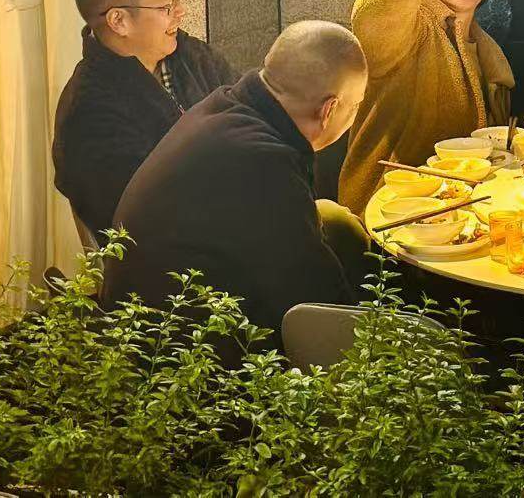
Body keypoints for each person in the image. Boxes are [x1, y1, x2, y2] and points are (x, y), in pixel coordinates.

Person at [103, 22, 370, 345]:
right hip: (173, 349)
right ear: (329, 109)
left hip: (143, 309)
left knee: (334, 220)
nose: (355, 115)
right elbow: (319, 301)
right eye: (356, 105)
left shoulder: (227, 106)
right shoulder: (265, 163)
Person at [53, 0, 234, 239]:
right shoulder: (89, 114)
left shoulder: (191, 56)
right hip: (182, 254)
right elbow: (144, 220)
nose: (180, 12)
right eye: (166, 5)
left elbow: (251, 114)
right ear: (119, 20)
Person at [339, 0, 514, 214]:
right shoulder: (410, 28)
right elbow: (371, 21)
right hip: (390, 214)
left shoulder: (486, 47)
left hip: (460, 210)